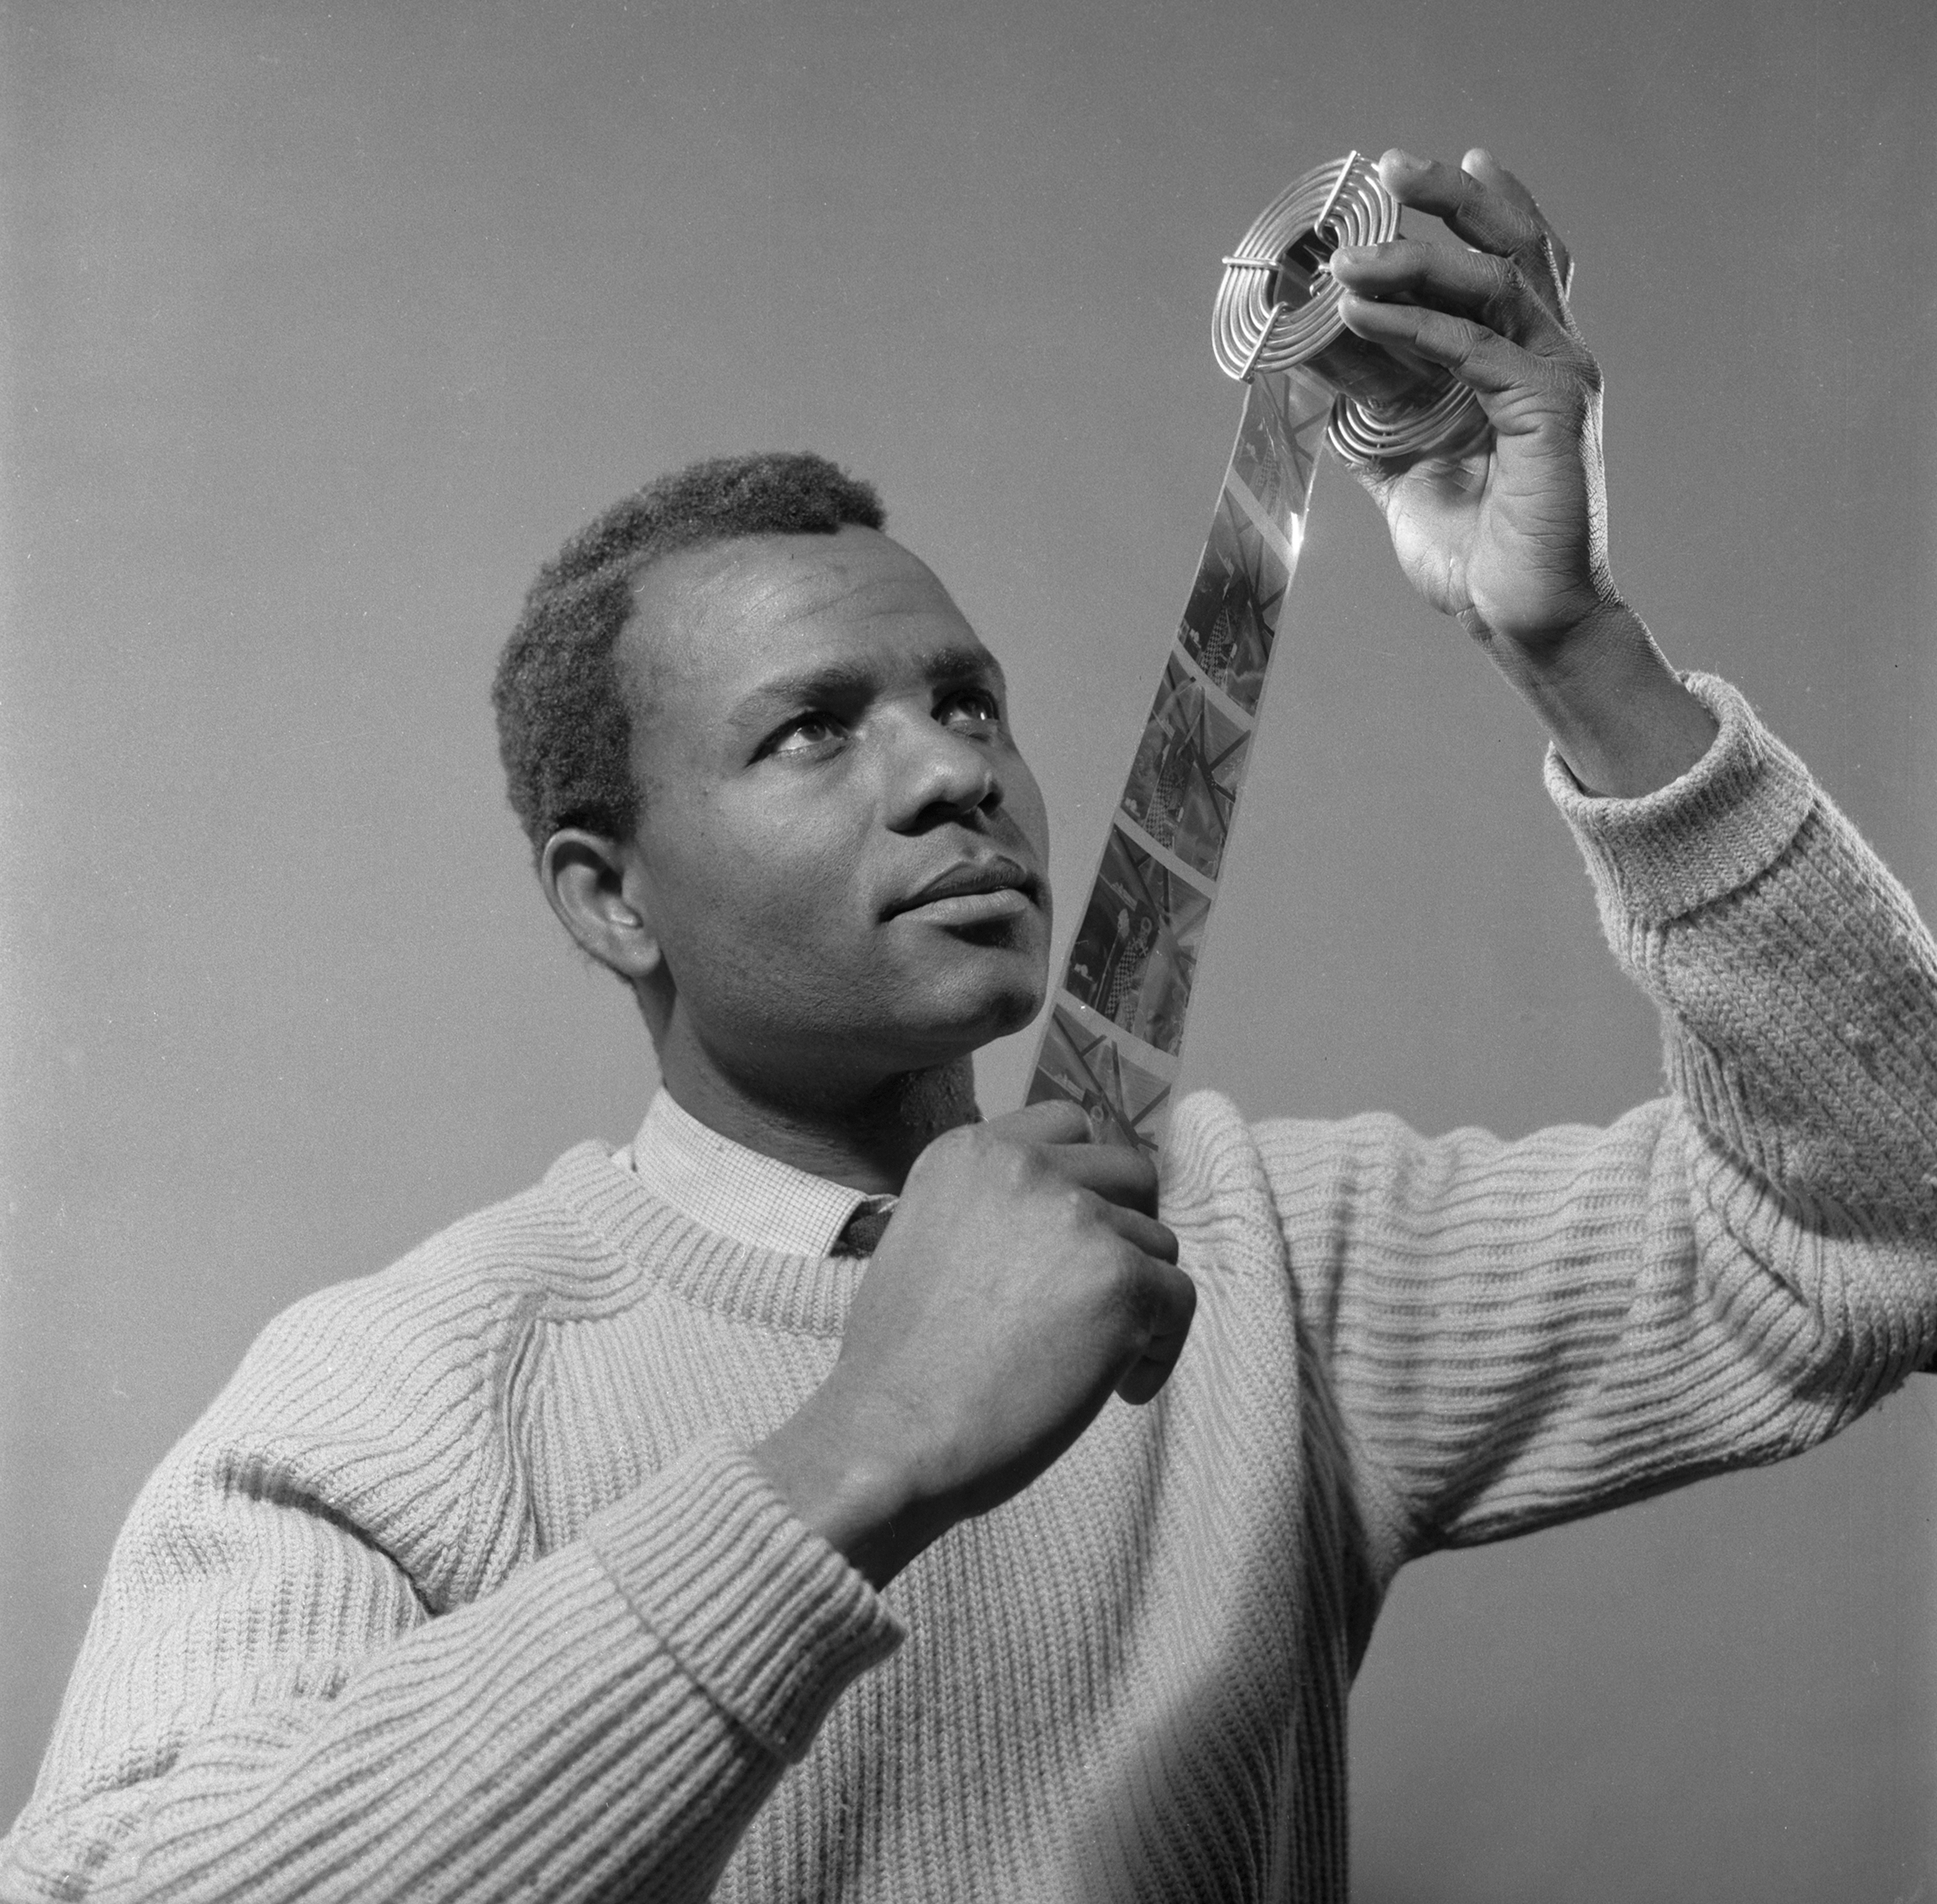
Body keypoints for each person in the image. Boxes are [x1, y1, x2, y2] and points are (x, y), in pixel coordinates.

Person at [6, 148, 1934, 1904]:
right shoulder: (402, 1387)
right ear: (610, 894)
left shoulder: (1260, 1253)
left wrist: (1570, 644)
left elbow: (1883, 1225)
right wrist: (866, 1444)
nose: (951, 772)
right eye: (811, 729)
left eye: (964, 697)